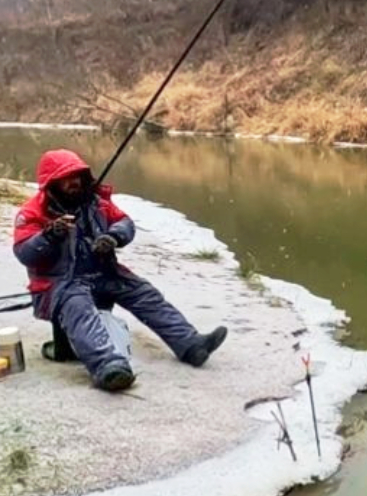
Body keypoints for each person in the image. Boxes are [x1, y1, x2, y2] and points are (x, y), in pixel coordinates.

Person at [12, 149, 227, 391]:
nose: (74, 183)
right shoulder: (31, 213)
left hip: (105, 273)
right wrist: (49, 235)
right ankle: (108, 366)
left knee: (145, 294)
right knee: (79, 308)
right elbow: (24, 253)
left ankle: (190, 344)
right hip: (61, 283)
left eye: (77, 177)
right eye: (66, 178)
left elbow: (125, 223)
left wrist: (114, 237)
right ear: (51, 182)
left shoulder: (96, 203)